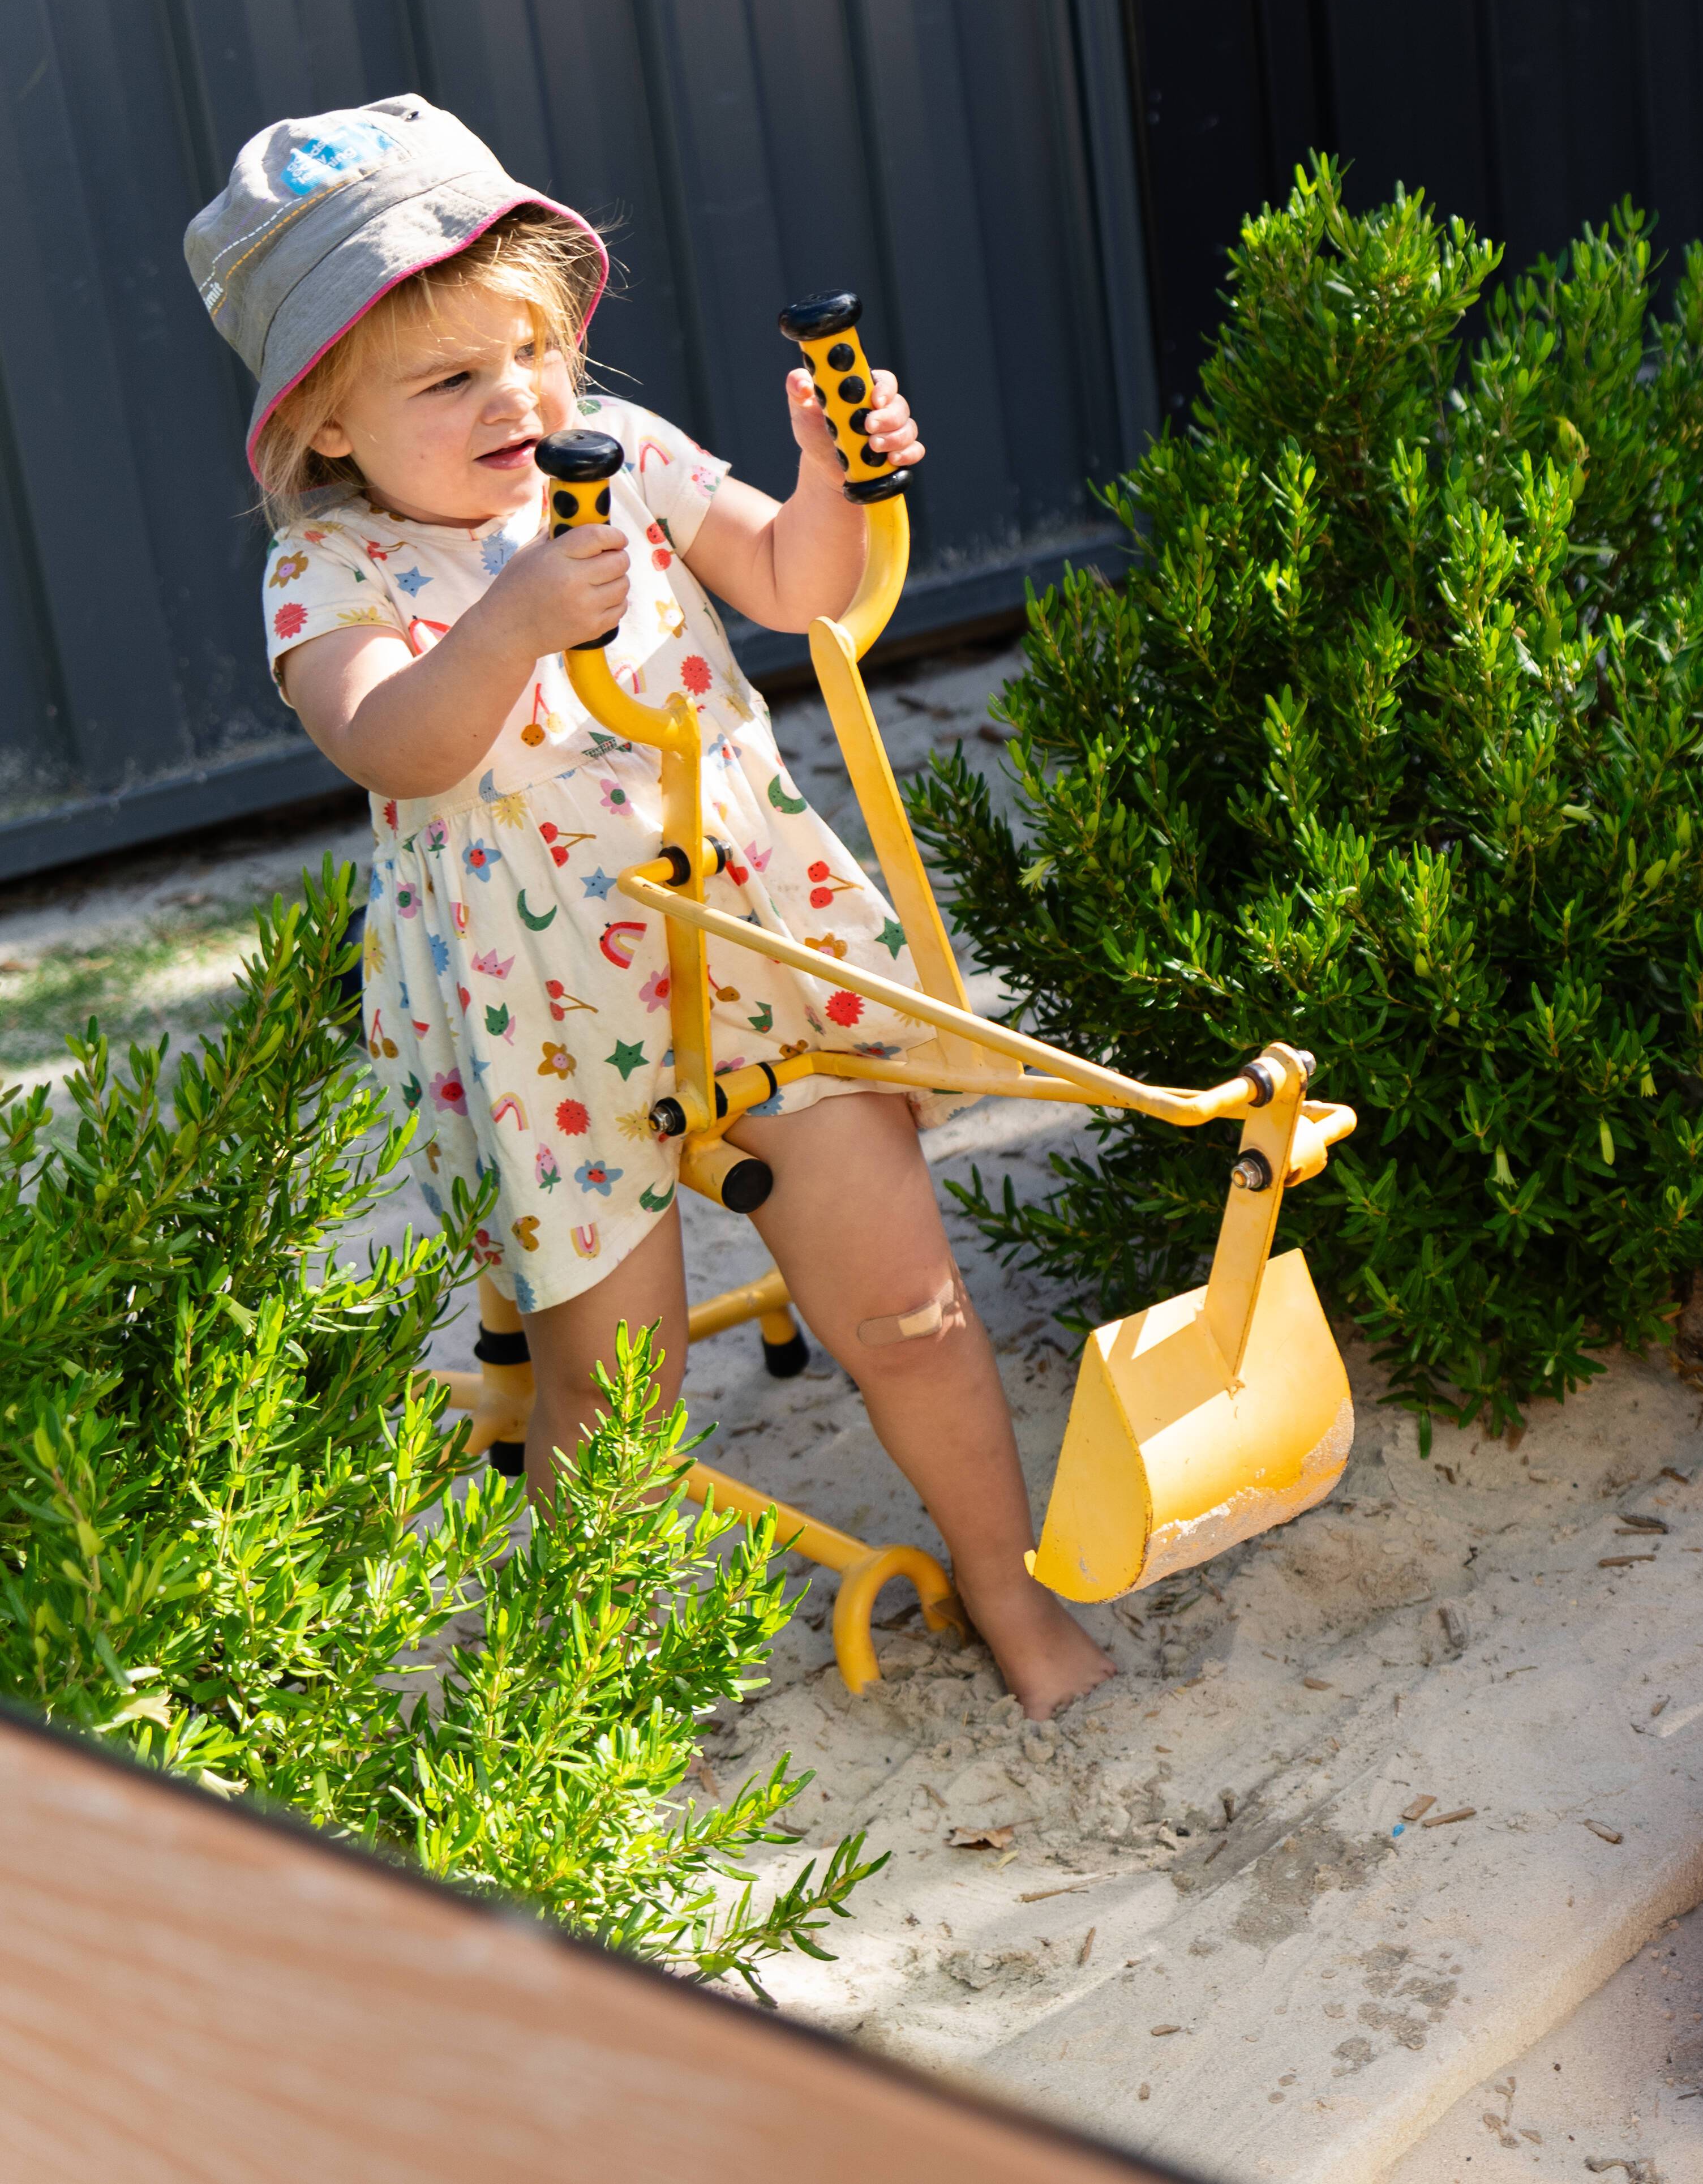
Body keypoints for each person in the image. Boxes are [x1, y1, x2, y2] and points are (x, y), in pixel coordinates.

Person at [199, 95, 1112, 1717]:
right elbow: (392, 743)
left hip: (747, 947)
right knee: (610, 1388)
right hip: (542, 1020)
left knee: (906, 1301)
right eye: (448, 376)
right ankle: (580, 1702)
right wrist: (511, 621)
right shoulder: (329, 575)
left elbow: (795, 585)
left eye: (536, 347)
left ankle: (1001, 1575)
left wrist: (837, 476)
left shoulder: (624, 460)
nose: (520, 399)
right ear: (325, 421)